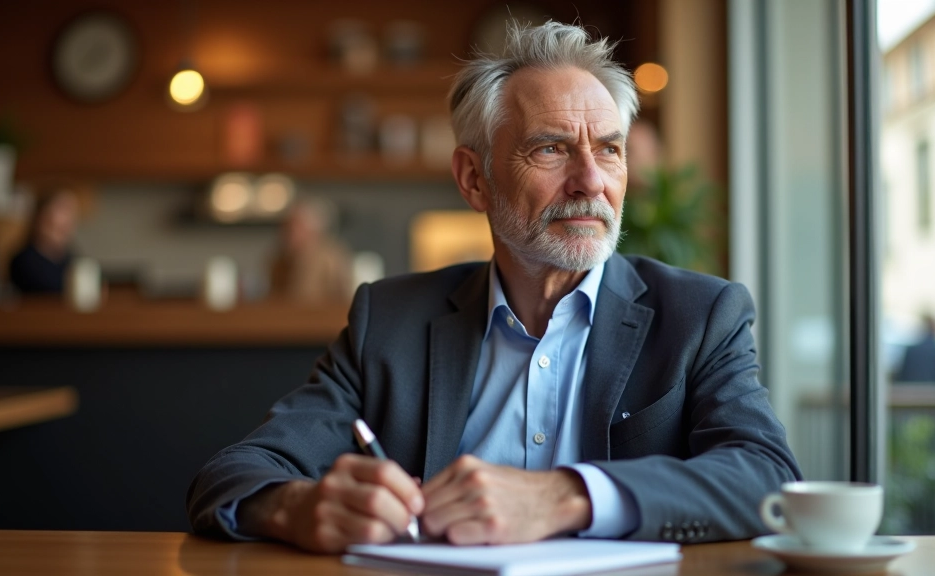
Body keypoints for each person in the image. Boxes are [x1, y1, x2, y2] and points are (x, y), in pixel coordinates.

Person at [187, 21, 801, 552]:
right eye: (552, 149)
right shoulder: (390, 320)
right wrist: (299, 508)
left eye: (609, 150)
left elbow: (766, 475)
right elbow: (234, 474)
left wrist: (567, 497)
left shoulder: (699, 315)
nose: (591, 181)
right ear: (474, 179)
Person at [270, 198, 353, 303]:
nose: (288, 233)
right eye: (286, 227)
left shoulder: (332, 257)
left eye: (295, 227)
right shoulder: (279, 261)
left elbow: (345, 297)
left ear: (313, 229)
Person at [9, 188, 79, 294]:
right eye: (62, 209)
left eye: (72, 211)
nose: (69, 219)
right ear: (41, 215)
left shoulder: (73, 260)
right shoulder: (24, 262)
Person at [895, 314, 935, 383]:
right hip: (930, 390)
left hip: (910, 389)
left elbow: (902, 375)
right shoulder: (934, 350)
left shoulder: (911, 350)